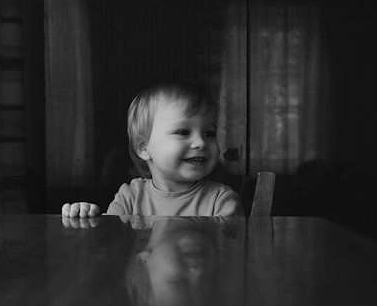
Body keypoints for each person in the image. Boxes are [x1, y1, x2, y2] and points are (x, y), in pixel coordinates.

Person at [62, 82, 243, 218]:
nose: (200, 142)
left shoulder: (221, 201)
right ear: (144, 148)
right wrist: (86, 218)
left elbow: (227, 252)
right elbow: (110, 242)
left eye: (209, 133)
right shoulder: (130, 197)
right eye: (183, 132)